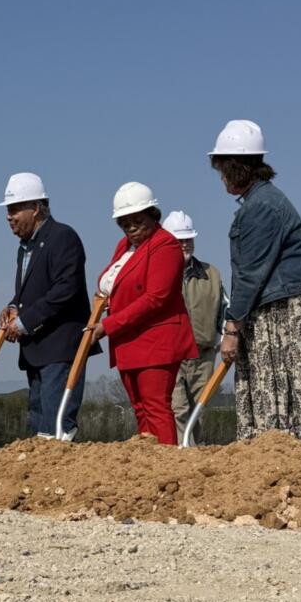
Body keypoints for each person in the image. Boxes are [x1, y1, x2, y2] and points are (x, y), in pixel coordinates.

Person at [208, 120, 301, 440]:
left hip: (281, 313)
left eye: (224, 169)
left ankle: (284, 449)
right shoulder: (261, 201)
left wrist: (231, 328)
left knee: (282, 386)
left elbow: (250, 274)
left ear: (237, 167)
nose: (222, 178)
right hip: (277, 306)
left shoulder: (261, 207)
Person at [90, 183, 196, 443]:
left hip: (155, 340)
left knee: (156, 407)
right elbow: (113, 283)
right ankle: (147, 468)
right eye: (125, 223)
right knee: (140, 409)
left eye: (138, 220)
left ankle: (167, 466)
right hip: (128, 340)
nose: (132, 228)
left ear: (153, 214)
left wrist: (108, 325)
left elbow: (156, 298)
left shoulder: (165, 245)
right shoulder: (124, 247)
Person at [0, 173, 94, 439]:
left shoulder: (63, 237)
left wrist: (24, 322)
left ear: (36, 207)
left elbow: (65, 289)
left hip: (59, 348)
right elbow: (32, 291)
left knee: (56, 426)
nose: (9, 216)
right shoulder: (24, 248)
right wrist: (14, 305)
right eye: (8, 210)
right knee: (40, 428)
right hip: (36, 350)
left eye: (15, 209)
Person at [161, 210, 227, 445]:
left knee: (200, 409)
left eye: (188, 239)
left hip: (203, 353)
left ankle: (193, 452)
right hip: (172, 354)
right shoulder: (158, 273)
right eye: (179, 240)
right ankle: (182, 453)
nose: (184, 245)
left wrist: (222, 338)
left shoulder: (212, 274)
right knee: (177, 408)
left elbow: (224, 308)